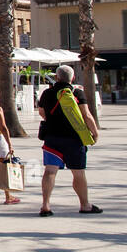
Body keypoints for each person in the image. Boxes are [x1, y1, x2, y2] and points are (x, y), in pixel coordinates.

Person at [37, 64, 101, 217]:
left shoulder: (47, 93)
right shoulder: (77, 92)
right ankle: (85, 205)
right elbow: (86, 114)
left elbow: (41, 112)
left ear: (57, 77)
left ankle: (45, 206)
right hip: (74, 139)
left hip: (52, 138)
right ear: (72, 78)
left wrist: (51, 119)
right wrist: (95, 133)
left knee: (50, 171)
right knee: (78, 173)